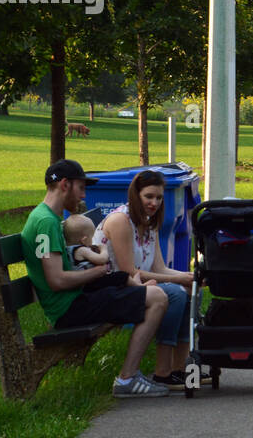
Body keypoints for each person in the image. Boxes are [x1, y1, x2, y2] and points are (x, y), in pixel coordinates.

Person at [22, 160, 170, 398]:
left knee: (137, 285)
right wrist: (98, 272)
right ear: (64, 185)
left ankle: (129, 377)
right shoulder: (46, 223)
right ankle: (127, 379)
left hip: (76, 298)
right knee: (158, 298)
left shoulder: (47, 217)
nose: (83, 195)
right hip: (68, 309)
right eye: (81, 188)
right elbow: (56, 280)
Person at [93, 169, 195, 390]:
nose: (154, 203)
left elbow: (159, 267)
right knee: (176, 294)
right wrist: (179, 281)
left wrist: (189, 278)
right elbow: (131, 272)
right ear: (135, 195)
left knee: (190, 290)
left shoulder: (150, 222)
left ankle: (180, 369)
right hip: (113, 288)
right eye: (148, 196)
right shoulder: (121, 220)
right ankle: (163, 371)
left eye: (159, 197)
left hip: (136, 285)